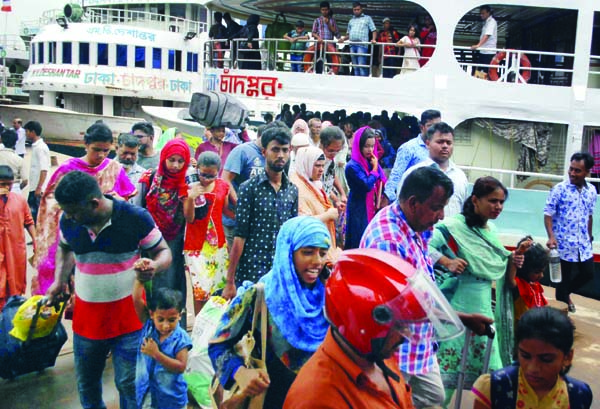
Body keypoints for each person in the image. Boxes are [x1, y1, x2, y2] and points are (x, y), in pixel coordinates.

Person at [361, 167, 493, 409]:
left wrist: (460, 318)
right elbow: (401, 309)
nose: (442, 216)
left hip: (420, 343)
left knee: (432, 398)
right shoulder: (389, 242)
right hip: (397, 349)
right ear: (413, 203)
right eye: (437, 207)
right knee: (393, 402)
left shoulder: (415, 224)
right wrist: (461, 318)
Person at [45, 171, 172, 409]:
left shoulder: (135, 217)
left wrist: (153, 266)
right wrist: (59, 281)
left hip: (130, 320)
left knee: (129, 384)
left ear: (94, 203)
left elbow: (163, 251)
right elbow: (64, 248)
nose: (68, 217)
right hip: (87, 321)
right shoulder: (69, 219)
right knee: (87, 384)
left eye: (73, 212)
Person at [285, 249, 465, 409]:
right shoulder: (317, 399)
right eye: (400, 325)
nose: (407, 336)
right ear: (365, 326)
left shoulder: (379, 356)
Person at [209, 216, 331, 409]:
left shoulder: (331, 294)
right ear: (288, 252)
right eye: (307, 252)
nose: (317, 261)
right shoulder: (259, 295)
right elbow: (217, 346)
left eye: (323, 253)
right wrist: (240, 373)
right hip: (272, 400)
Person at [430, 176, 522, 406]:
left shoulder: (491, 229)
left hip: (483, 305)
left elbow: (497, 265)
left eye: (501, 202)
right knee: (446, 376)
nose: (498, 207)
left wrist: (515, 259)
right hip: (458, 305)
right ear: (475, 200)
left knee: (494, 375)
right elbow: (426, 246)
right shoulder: (452, 226)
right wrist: (446, 261)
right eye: (492, 201)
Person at [32, 122, 136, 296]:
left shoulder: (115, 168)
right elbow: (50, 202)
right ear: (85, 145)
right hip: (74, 232)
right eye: (96, 149)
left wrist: (117, 200)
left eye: (106, 150)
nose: (101, 155)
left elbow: (125, 200)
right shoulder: (68, 169)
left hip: (105, 238)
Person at [223, 126, 298, 299]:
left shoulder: (292, 191)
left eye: (285, 150)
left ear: (290, 152)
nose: (280, 155)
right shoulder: (248, 188)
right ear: (264, 152)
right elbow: (240, 236)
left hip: (280, 271)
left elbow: (291, 235)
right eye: (275, 150)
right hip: (252, 271)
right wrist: (230, 281)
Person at [471, 307, 593, 409]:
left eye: (546, 359)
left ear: (567, 357)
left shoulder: (578, 395)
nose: (533, 368)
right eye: (525, 356)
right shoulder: (494, 388)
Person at [138, 139, 190, 326]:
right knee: (150, 279)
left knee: (173, 281)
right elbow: (139, 208)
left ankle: (176, 329)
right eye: (171, 160)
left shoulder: (187, 182)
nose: (175, 165)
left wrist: (188, 196)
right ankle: (152, 325)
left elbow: (191, 216)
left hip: (175, 240)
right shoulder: (149, 179)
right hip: (150, 238)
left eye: (180, 161)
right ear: (163, 159)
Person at [543, 152, 596, 313]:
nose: (572, 173)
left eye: (577, 171)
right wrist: (551, 236)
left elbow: (589, 215)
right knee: (562, 280)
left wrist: (589, 235)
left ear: (587, 172)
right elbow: (548, 214)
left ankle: (565, 294)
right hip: (563, 243)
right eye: (571, 169)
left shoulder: (591, 191)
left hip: (583, 243)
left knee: (588, 273)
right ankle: (561, 318)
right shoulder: (559, 190)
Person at [183, 151, 232, 314]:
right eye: (203, 174)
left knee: (218, 288)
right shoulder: (190, 186)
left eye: (211, 175)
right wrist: (190, 198)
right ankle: (199, 326)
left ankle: (215, 325)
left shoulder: (223, 186)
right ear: (198, 169)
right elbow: (189, 219)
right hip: (196, 247)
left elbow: (226, 211)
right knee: (200, 291)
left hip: (218, 245)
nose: (206, 179)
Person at [132, 284, 192, 409]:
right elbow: (136, 299)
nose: (165, 326)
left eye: (171, 320)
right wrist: (140, 279)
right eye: (160, 319)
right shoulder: (149, 327)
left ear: (180, 316)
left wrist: (156, 354)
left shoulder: (180, 339)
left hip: (172, 399)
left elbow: (181, 366)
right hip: (147, 394)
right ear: (152, 314)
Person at [398, 122, 469, 218]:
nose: (445, 146)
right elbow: (401, 209)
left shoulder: (460, 176)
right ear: (427, 144)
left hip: (453, 232)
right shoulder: (413, 174)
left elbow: (464, 211)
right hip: (421, 232)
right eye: (440, 142)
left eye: (449, 143)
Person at [220, 124, 268, 249]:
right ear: (260, 136)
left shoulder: (270, 154)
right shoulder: (242, 151)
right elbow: (225, 179)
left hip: (256, 221)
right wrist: (240, 205)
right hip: (234, 219)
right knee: (233, 260)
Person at [290, 146, 341, 261]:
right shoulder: (297, 187)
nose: (321, 170)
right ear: (306, 164)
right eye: (317, 165)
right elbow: (302, 222)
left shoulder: (312, 182)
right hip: (309, 248)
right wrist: (327, 216)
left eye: (323, 166)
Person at [384, 109, 441, 203]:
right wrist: (388, 199)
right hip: (410, 202)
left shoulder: (440, 148)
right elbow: (396, 175)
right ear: (422, 127)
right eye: (431, 126)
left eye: (438, 126)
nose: (435, 130)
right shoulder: (409, 148)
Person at [0, 165, 36, 309]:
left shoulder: (19, 200)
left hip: (16, 250)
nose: (7, 188)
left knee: (16, 282)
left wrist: (35, 240)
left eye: (9, 184)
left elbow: (29, 221)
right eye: (2, 184)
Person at [345, 126, 386, 249]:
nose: (370, 150)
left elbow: (383, 179)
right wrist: (374, 169)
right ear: (359, 145)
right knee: (359, 236)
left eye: (372, 146)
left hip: (371, 206)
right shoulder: (352, 166)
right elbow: (367, 184)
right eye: (366, 146)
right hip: (359, 206)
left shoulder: (370, 161)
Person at [506, 237, 548, 325]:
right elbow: (510, 280)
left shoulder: (534, 285)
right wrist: (519, 253)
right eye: (537, 272)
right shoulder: (519, 286)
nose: (542, 276)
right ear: (525, 269)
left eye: (542, 271)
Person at [338, 2, 377, 77]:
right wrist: (343, 39)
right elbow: (348, 35)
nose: (356, 11)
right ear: (353, 10)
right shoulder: (351, 21)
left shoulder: (367, 18)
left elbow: (374, 30)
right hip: (352, 45)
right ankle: (357, 83)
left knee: (361, 66)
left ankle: (363, 83)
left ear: (361, 9)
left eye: (358, 9)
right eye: (355, 9)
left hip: (362, 45)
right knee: (355, 66)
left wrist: (373, 39)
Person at [24, 120, 50, 222]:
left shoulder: (40, 148)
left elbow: (44, 169)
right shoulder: (36, 147)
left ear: (33, 132)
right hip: (34, 187)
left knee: (35, 217)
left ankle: (37, 236)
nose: (26, 134)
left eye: (27, 131)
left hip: (38, 189)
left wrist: (39, 188)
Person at [116, 133, 146, 207]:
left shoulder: (144, 175)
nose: (128, 157)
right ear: (117, 149)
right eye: (125, 153)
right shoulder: (106, 170)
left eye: (133, 154)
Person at [311, 1, 340, 74]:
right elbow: (313, 33)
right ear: (320, 10)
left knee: (330, 64)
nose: (324, 11)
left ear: (329, 10)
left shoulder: (332, 21)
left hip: (330, 45)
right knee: (319, 65)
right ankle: (318, 79)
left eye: (326, 10)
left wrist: (328, 23)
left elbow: (336, 33)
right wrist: (318, 38)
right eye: (323, 10)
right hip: (319, 46)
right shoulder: (317, 20)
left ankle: (330, 79)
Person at [471, 5, 497, 75]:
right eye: (480, 13)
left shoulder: (492, 22)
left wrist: (478, 45)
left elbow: (487, 35)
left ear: (488, 13)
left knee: (486, 71)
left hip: (489, 52)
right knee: (480, 71)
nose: (481, 15)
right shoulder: (486, 22)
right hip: (483, 51)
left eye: (483, 13)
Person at [0, 129, 26, 193]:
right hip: (14, 189)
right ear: (15, 142)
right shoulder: (19, 160)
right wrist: (17, 188)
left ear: (1, 140)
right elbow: (25, 181)